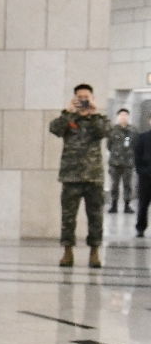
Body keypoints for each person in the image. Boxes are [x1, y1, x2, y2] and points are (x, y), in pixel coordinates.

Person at [50, 84, 111, 268]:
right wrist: (68, 112)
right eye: (80, 97)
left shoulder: (99, 119)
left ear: (92, 97)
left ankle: (94, 252)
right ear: (75, 98)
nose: (83, 100)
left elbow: (105, 132)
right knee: (68, 217)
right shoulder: (69, 118)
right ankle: (67, 252)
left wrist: (93, 112)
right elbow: (55, 129)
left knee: (95, 216)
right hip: (71, 177)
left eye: (86, 97)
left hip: (94, 177)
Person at [108, 108, 134, 214]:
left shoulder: (133, 130)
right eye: (121, 115)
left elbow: (136, 145)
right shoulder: (112, 130)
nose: (123, 117)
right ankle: (113, 205)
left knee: (127, 184)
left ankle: (127, 205)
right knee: (114, 184)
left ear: (128, 116)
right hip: (115, 162)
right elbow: (109, 145)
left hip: (128, 163)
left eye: (125, 115)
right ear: (118, 117)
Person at [135, 116, 151, 237]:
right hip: (146, 176)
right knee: (143, 203)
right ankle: (141, 227)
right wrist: (141, 171)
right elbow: (137, 155)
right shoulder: (143, 137)